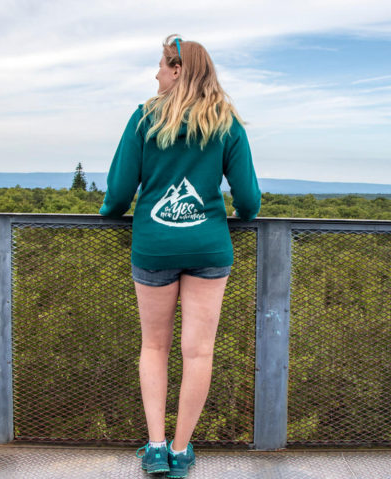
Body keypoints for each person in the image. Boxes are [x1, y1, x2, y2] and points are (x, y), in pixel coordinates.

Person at [99, 33, 261, 478]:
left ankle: (154, 448)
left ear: (177, 69)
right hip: (209, 245)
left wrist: (108, 212)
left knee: (154, 345)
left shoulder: (143, 119)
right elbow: (248, 199)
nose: (155, 75)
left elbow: (118, 191)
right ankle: (181, 450)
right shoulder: (226, 123)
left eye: (160, 66)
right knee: (199, 351)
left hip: (154, 245)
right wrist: (241, 214)